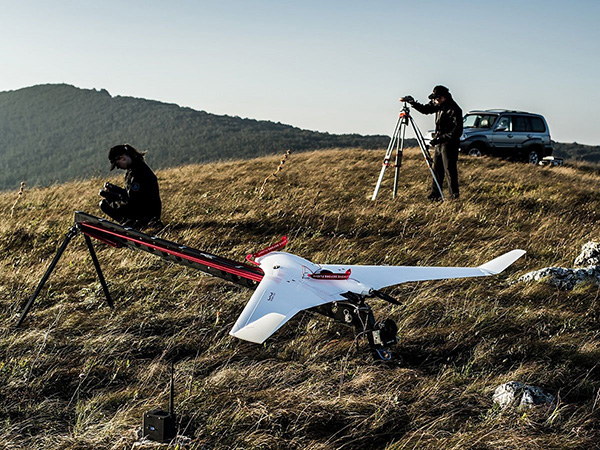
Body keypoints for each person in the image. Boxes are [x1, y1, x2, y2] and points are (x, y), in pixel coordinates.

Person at [400, 85, 463, 200]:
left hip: (449, 143)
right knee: (437, 169)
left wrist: (440, 139)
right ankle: (435, 194)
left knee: (449, 170)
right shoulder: (438, 105)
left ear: (443, 97)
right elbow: (426, 110)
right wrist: (413, 103)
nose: (434, 101)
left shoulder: (454, 109)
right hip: (439, 142)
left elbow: (457, 131)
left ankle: (454, 196)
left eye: (436, 98)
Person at [99, 144, 162, 229]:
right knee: (106, 203)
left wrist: (112, 197)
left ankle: (133, 225)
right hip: (144, 210)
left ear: (122, 158)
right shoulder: (133, 170)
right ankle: (130, 223)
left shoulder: (138, 173)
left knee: (104, 204)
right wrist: (114, 189)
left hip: (146, 213)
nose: (118, 168)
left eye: (117, 164)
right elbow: (132, 194)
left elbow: (134, 201)